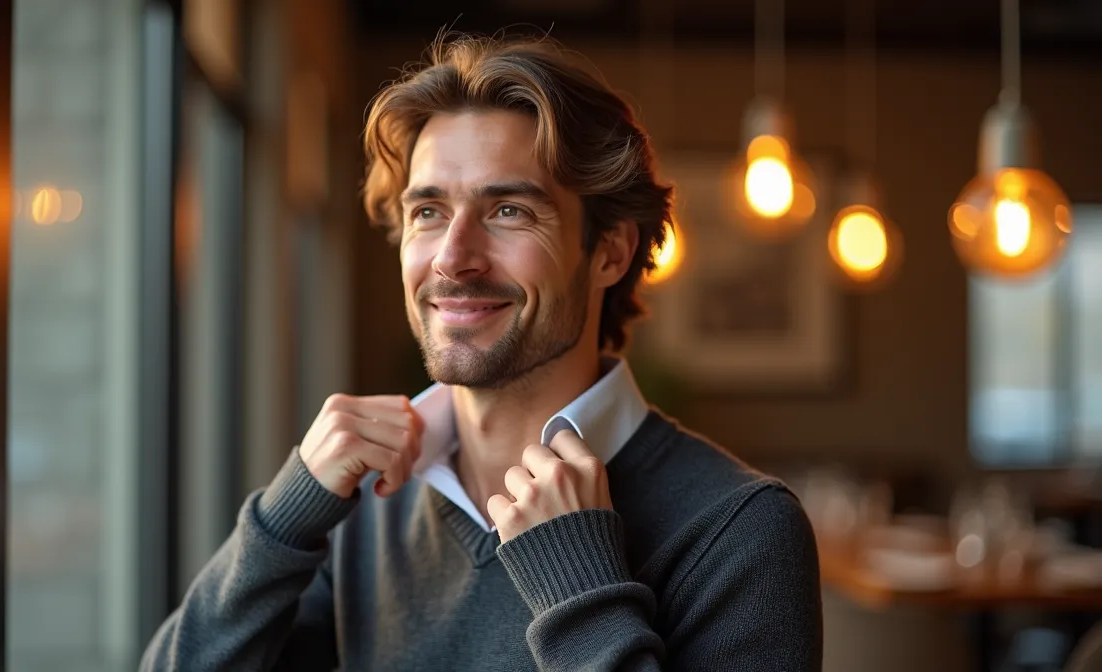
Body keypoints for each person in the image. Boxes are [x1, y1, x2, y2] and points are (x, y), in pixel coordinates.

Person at [141, 33, 822, 671]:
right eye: (428, 213)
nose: (453, 259)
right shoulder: (366, 502)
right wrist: (285, 520)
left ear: (609, 251)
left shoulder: (740, 529)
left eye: (509, 211)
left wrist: (577, 583)